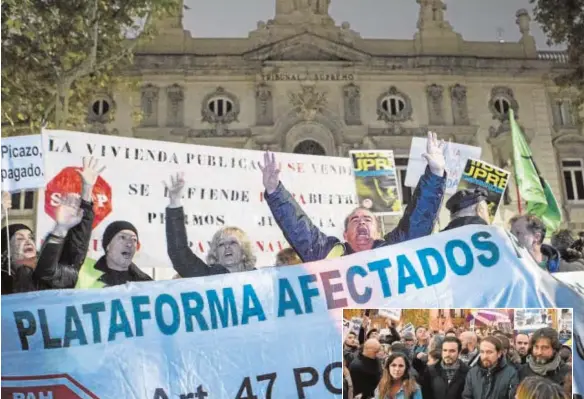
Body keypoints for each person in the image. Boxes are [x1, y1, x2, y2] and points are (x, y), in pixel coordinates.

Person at [260, 131, 447, 262]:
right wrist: (275, 191)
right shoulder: (327, 254)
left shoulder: (394, 251)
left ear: (379, 232)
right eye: (355, 220)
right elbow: (298, 228)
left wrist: (435, 174)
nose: (361, 223)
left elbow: (418, 219)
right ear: (345, 234)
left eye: (367, 219)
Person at [1, 157, 100, 294]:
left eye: (30, 237)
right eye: (19, 238)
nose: (28, 241)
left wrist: (87, 191)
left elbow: (77, 246)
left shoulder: (56, 273)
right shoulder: (4, 279)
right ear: (7, 251)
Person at [164, 173, 256, 276]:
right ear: (215, 255)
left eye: (233, 243)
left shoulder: (261, 279)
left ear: (244, 253)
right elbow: (179, 254)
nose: (227, 247)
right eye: (221, 244)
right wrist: (175, 202)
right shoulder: (206, 277)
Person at [509, 214, 584, 272]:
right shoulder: (512, 268)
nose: (512, 237)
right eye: (511, 233)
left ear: (536, 237)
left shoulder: (568, 268)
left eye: (518, 233)